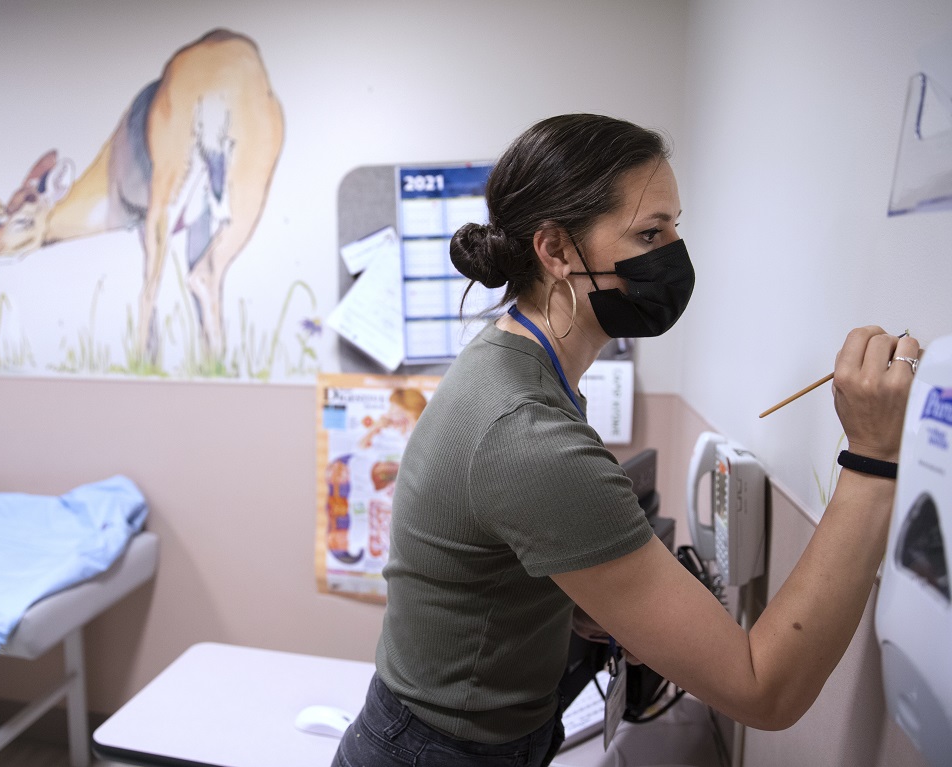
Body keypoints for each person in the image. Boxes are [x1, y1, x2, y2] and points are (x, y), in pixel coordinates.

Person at [331, 113, 917, 767]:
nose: (672, 253)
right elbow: (763, 689)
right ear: (555, 251)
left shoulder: (512, 362)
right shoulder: (529, 433)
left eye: (673, 227)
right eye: (649, 231)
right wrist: (871, 456)